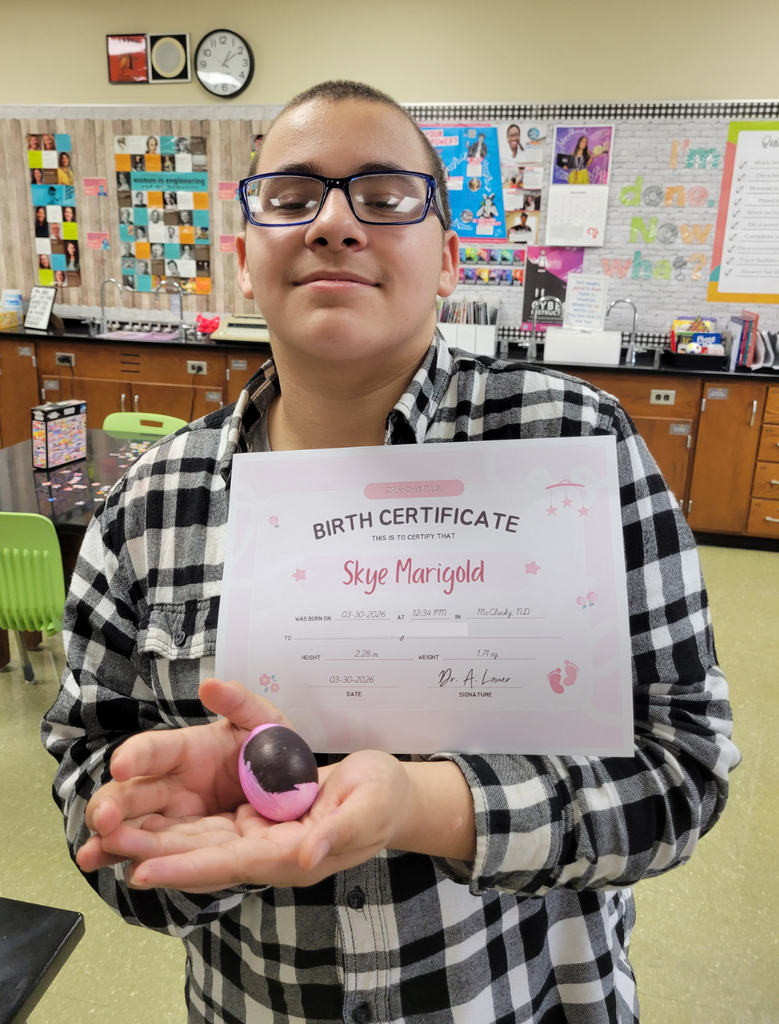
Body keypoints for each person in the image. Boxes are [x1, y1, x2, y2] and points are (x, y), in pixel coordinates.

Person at [42, 79, 739, 1024]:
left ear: (449, 258)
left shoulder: (573, 449)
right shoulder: (148, 506)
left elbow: (681, 764)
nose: (332, 223)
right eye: (291, 199)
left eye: (383, 197)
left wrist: (421, 806)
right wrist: (168, 833)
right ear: (244, 259)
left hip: (524, 1000)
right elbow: (90, 770)